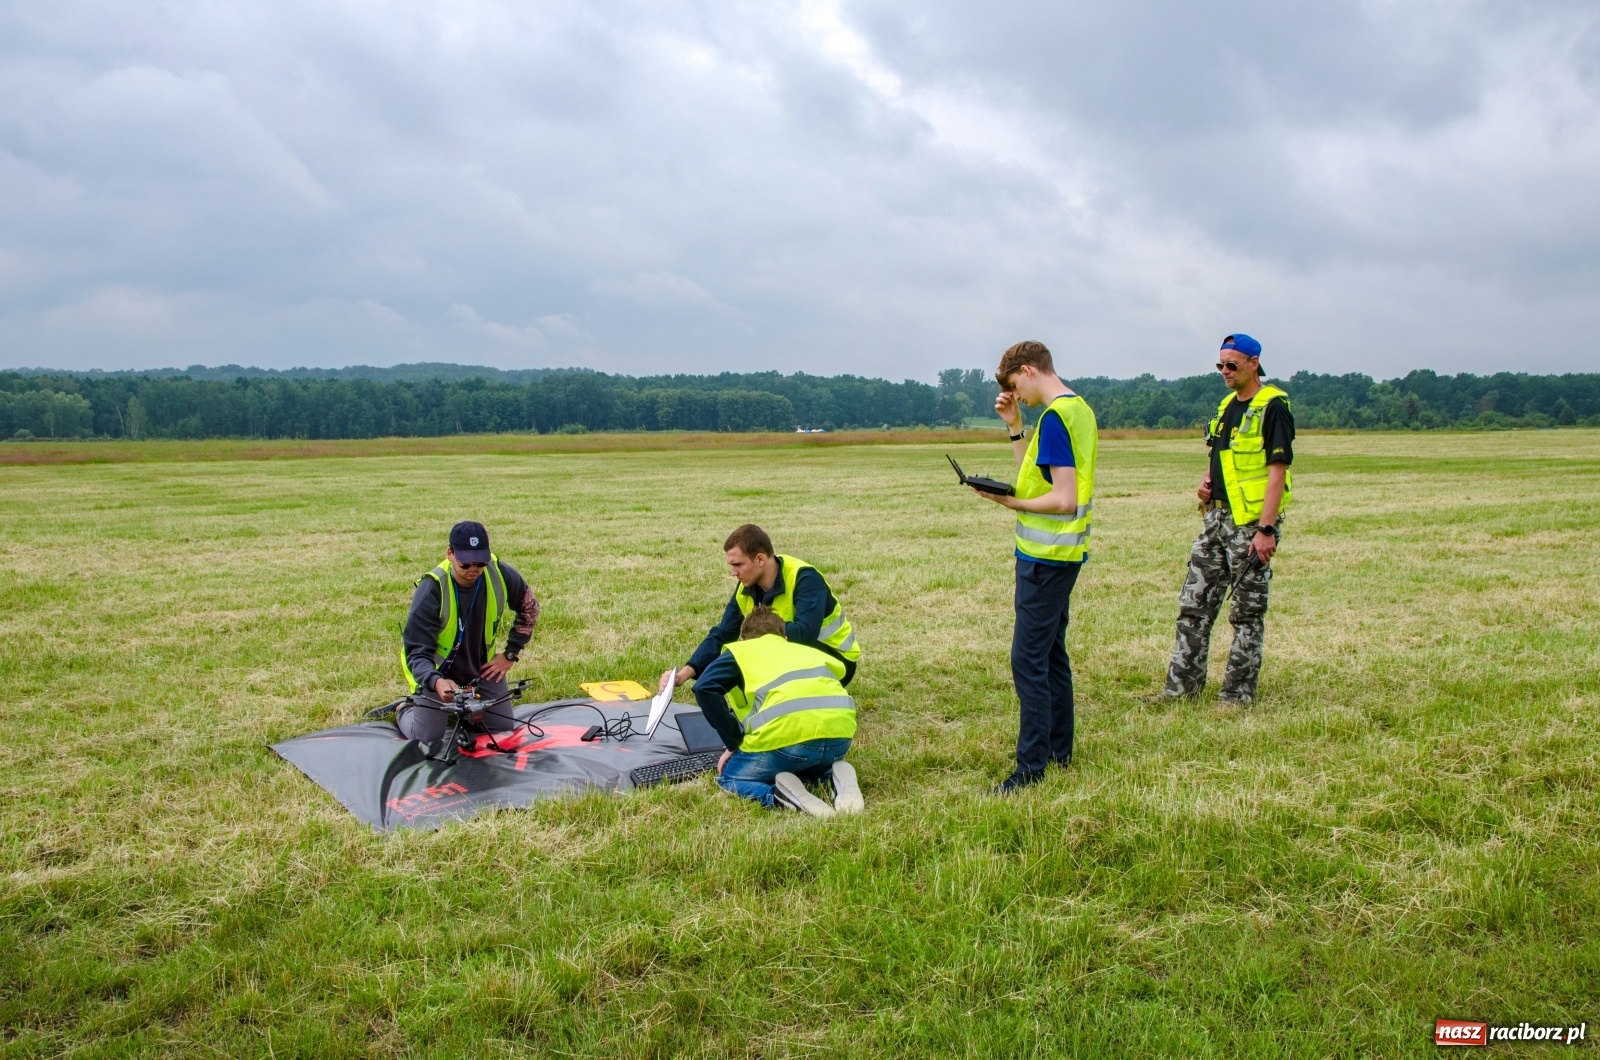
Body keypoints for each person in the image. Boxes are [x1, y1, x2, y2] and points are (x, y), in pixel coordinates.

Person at [972, 340, 1099, 794]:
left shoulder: (1057, 419)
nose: (1014, 394)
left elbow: (1062, 500)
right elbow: (1038, 475)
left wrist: (1009, 503)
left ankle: (1030, 769)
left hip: (1045, 560)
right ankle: (1059, 752)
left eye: (1013, 386)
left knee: (1027, 661)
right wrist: (1014, 428)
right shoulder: (1076, 410)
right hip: (1061, 556)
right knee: (1050, 655)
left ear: (1027, 370)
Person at [1151, 333, 1295, 705]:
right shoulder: (1226, 406)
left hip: (1250, 525)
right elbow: (1222, 461)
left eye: (1232, 365)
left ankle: (1236, 694)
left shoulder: (1272, 406)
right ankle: (1181, 689)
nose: (1225, 372)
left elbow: (1276, 473)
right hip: (1215, 519)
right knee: (1193, 604)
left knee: (1246, 612)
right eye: (1220, 365)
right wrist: (1205, 486)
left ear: (1253, 362)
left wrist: (1265, 529)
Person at [691, 606, 862, 816]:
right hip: (840, 740)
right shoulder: (810, 651)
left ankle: (779, 796)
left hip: (788, 746)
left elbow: (704, 688)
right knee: (806, 763)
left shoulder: (743, 651)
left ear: (743, 639)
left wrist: (733, 742)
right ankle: (829, 777)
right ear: (784, 636)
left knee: (730, 777)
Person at [661, 524, 861, 692]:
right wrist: (683, 674)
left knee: (748, 654)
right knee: (738, 657)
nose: (733, 573)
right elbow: (723, 634)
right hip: (796, 656)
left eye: (738, 564)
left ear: (760, 559)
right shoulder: (746, 587)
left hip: (836, 660)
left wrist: (754, 639)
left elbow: (804, 634)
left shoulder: (805, 578)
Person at [398, 520, 540, 742]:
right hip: (436, 671)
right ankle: (405, 708)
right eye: (465, 564)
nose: (473, 569)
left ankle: (463, 705)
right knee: (427, 737)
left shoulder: (499, 574)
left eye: (480, 562)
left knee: (501, 728)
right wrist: (436, 681)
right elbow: (416, 652)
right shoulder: (432, 589)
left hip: (480, 668)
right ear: (450, 553)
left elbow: (530, 607)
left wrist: (511, 653)